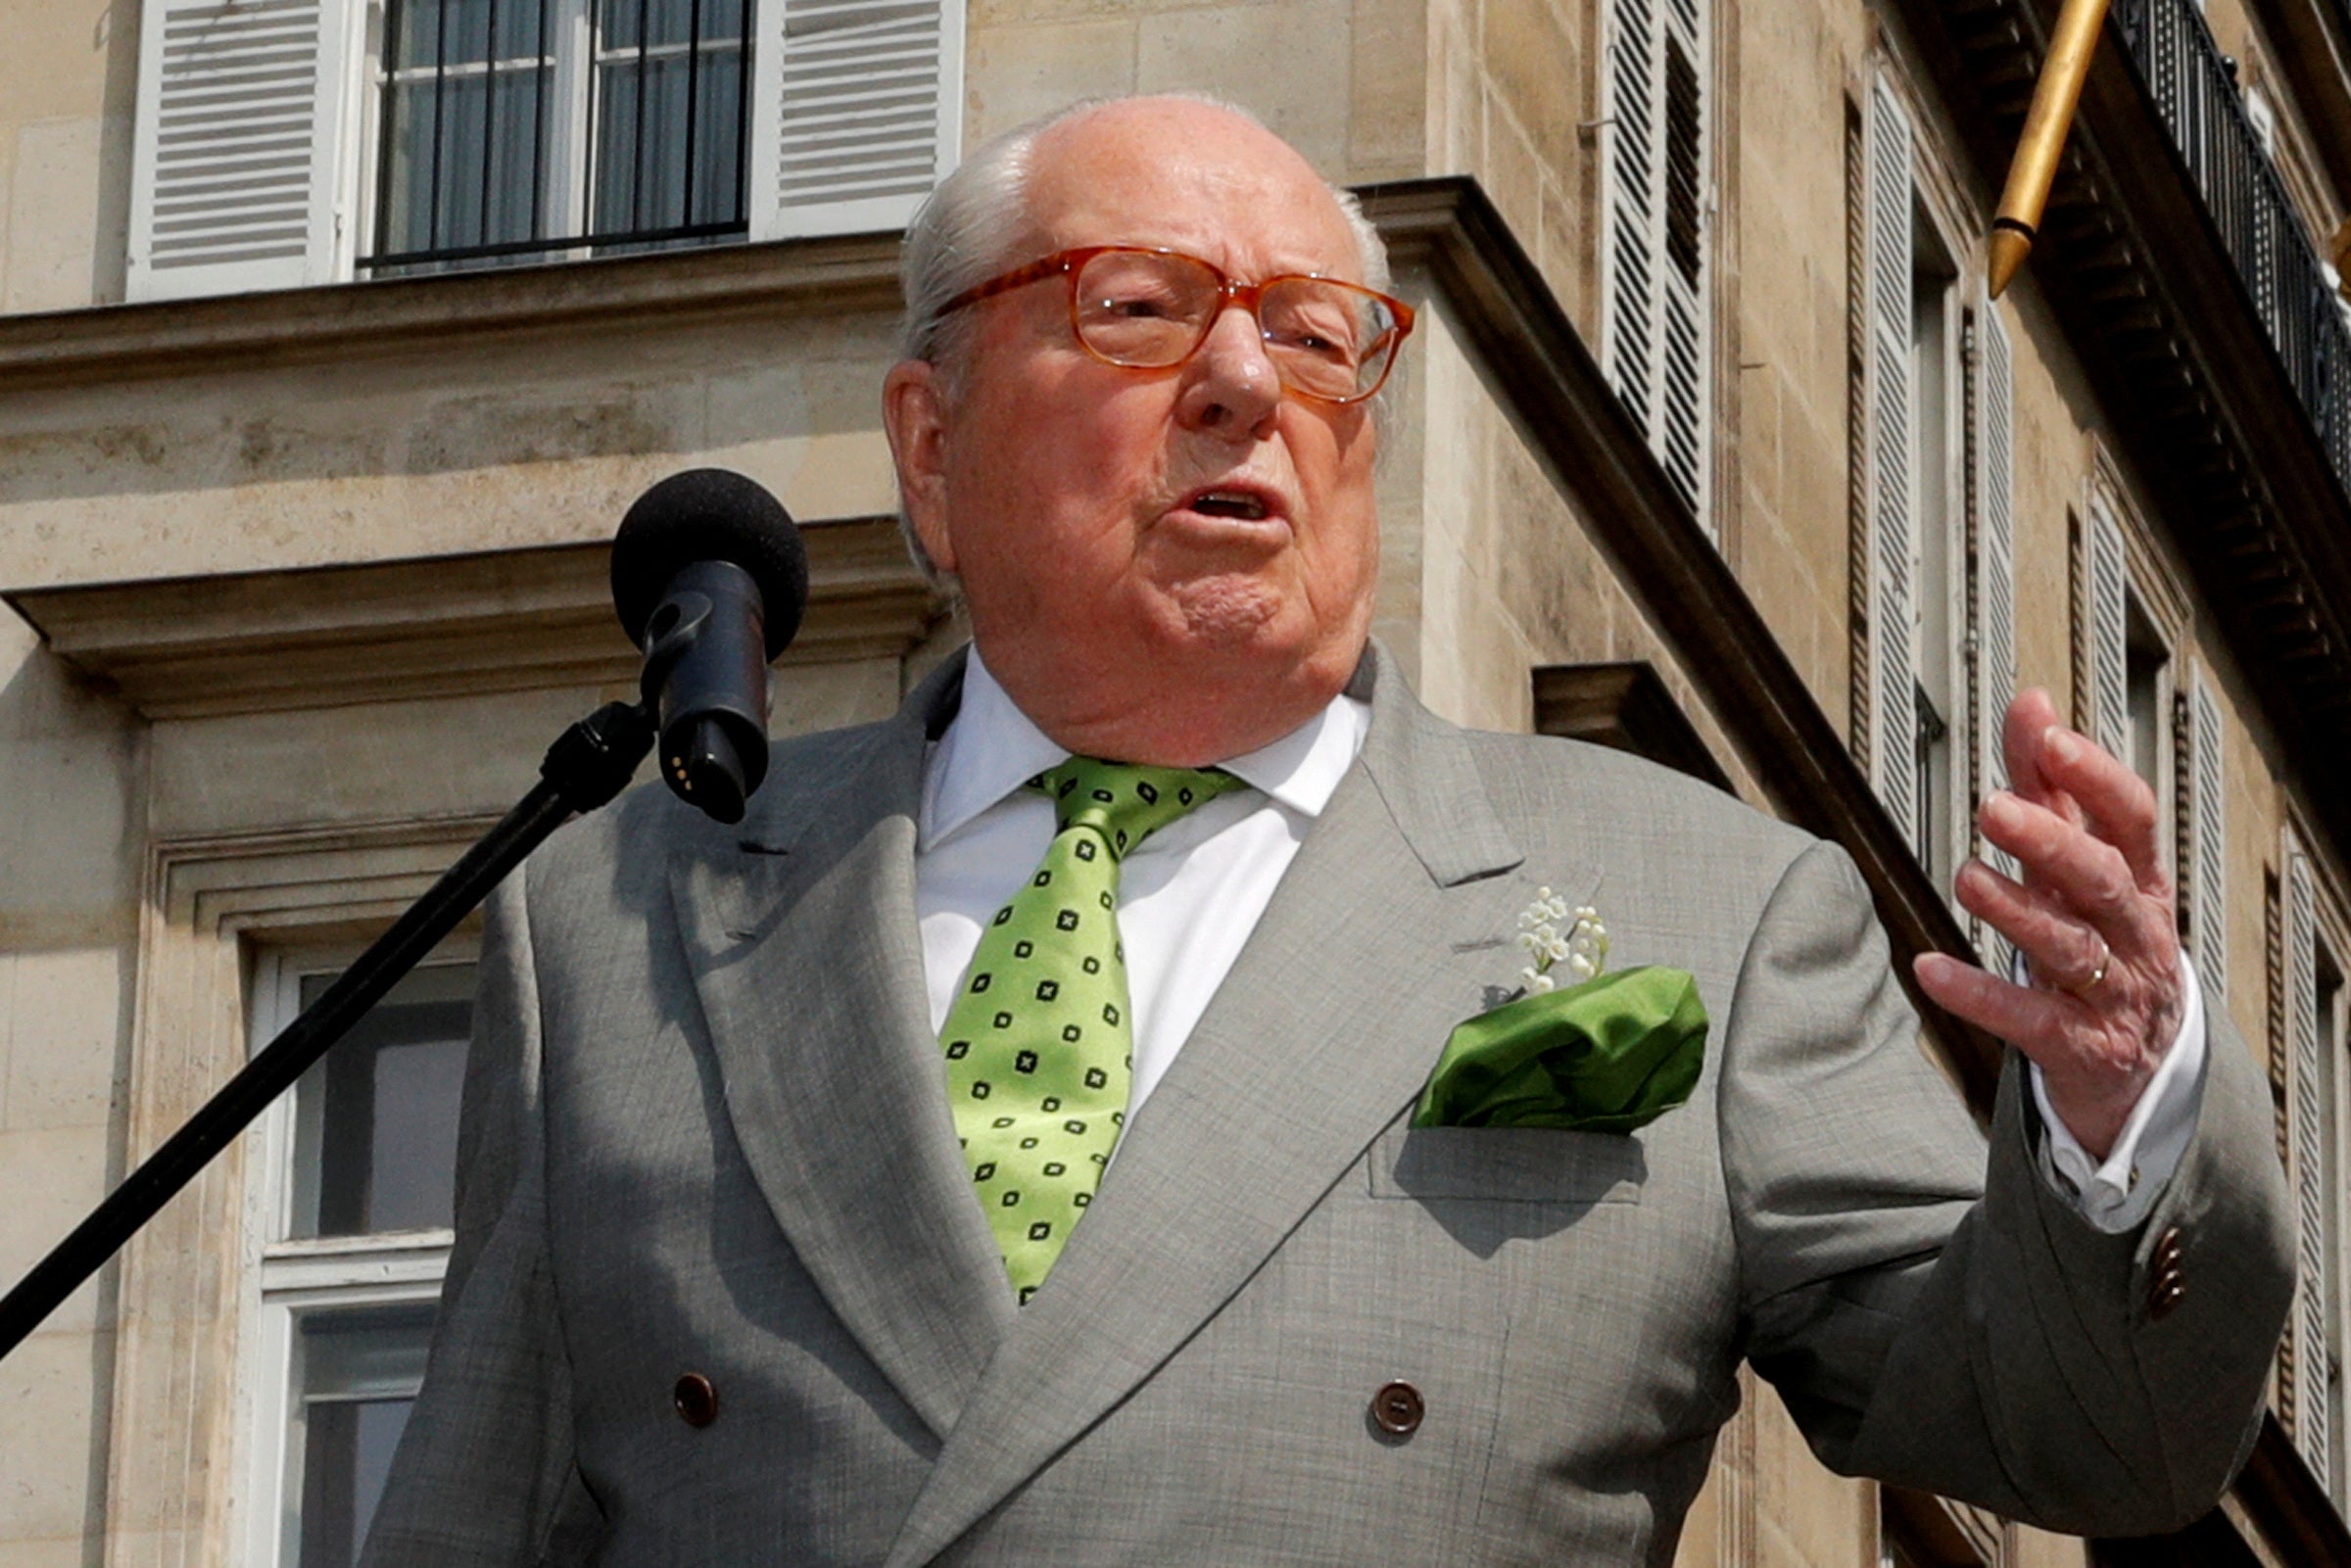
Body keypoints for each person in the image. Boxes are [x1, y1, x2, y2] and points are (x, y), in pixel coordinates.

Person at [361, 95, 2292, 1566]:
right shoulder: (619, 917)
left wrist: (2131, 1119)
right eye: (1136, 311)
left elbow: (2090, 1437)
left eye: (1314, 338)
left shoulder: (1700, 905)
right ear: (932, 450)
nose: (1240, 385)